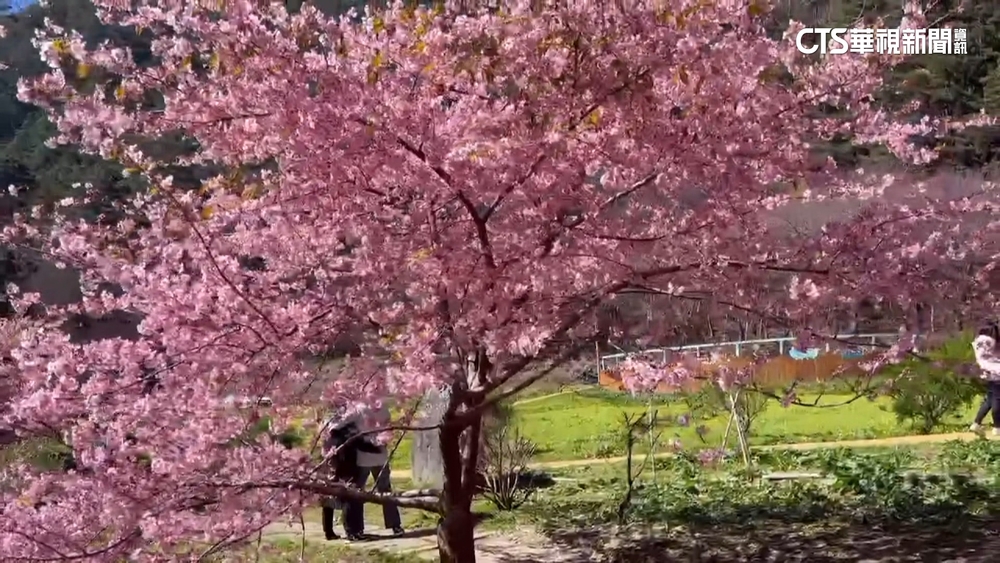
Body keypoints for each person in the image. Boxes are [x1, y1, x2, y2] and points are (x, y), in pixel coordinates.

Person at [320, 419, 383, 542]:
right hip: (346, 470)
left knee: (328, 500)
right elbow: (364, 445)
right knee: (350, 500)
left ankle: (328, 531)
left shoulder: (328, 436)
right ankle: (352, 532)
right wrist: (379, 446)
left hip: (330, 470)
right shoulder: (348, 435)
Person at [356, 405, 405, 536]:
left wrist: (385, 439)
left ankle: (395, 525)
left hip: (380, 457)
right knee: (358, 492)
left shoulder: (384, 409)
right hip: (363, 457)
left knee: (385, 491)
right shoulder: (359, 408)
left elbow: (388, 430)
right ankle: (357, 528)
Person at [971, 323, 1000, 436]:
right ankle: (997, 427)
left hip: (987, 373)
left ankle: (976, 423)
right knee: (997, 400)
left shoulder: (977, 342)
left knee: (990, 400)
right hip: (997, 373)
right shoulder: (991, 342)